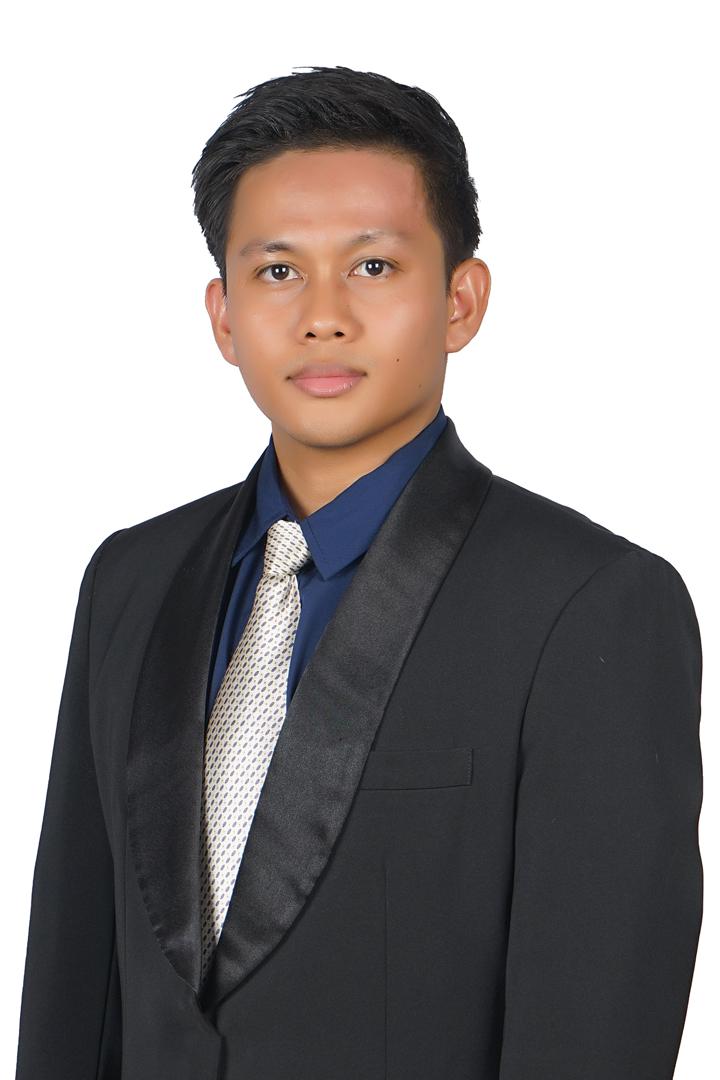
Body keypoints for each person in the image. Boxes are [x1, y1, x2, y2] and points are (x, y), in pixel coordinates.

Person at [15, 64, 703, 1080]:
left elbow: (593, 1032)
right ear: (222, 314)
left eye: (373, 266)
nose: (323, 315)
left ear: (461, 300)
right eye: (277, 272)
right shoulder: (130, 580)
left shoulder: (591, 606)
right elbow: (74, 992)